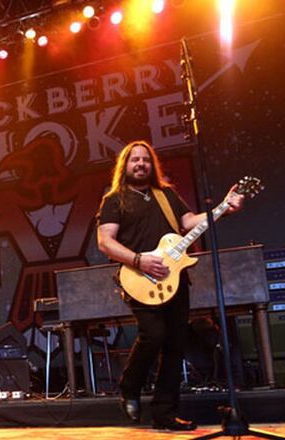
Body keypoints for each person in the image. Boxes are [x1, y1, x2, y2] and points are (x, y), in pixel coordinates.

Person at [96, 140, 244, 431]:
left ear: (152, 165)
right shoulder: (114, 199)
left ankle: (164, 413)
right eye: (134, 160)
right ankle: (129, 385)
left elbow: (190, 222)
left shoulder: (166, 195)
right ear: (124, 166)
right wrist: (139, 261)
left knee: (176, 345)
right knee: (153, 334)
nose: (140, 164)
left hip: (174, 280)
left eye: (145, 160)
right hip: (139, 277)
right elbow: (105, 242)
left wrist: (225, 208)